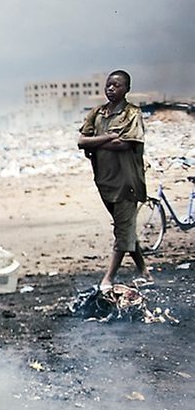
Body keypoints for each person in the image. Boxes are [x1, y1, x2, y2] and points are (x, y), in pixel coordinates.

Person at [77, 69, 152, 291]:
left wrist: (96, 142)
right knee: (125, 227)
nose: (111, 89)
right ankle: (145, 272)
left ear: (127, 89)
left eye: (116, 85)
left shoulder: (132, 114)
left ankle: (108, 278)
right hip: (105, 180)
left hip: (127, 181)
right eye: (109, 85)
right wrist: (109, 137)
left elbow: (126, 144)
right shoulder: (97, 113)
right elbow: (82, 141)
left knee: (122, 228)